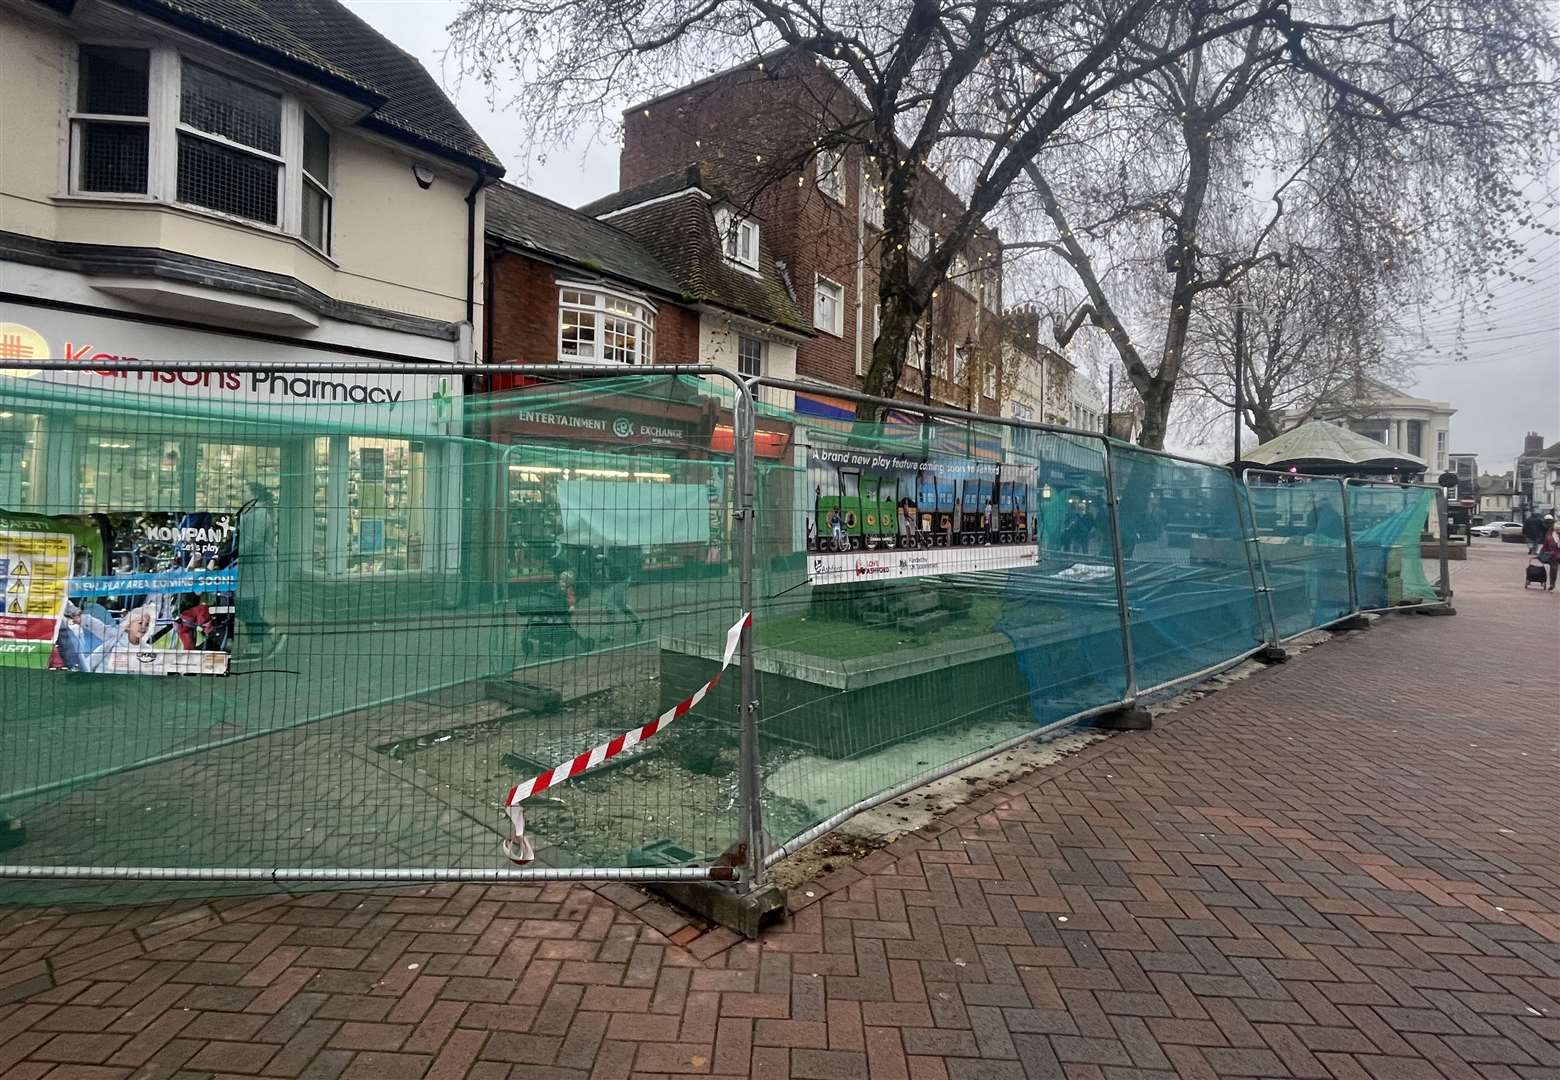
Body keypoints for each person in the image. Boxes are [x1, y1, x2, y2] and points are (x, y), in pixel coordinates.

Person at [237, 484, 285, 660]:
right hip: (248, 568)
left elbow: (253, 542)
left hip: (257, 568)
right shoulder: (249, 513)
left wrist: (232, 550)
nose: (239, 493)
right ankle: (270, 632)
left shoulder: (260, 514)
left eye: (244, 490)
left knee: (247, 605)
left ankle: (257, 644)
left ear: (254, 495)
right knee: (245, 605)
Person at [1541, 516, 1560, 592]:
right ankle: (1552, 584)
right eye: (1557, 530)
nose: (1558, 531)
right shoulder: (1550, 534)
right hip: (1554, 555)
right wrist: (1541, 553)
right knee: (1553, 569)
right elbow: (1546, 544)